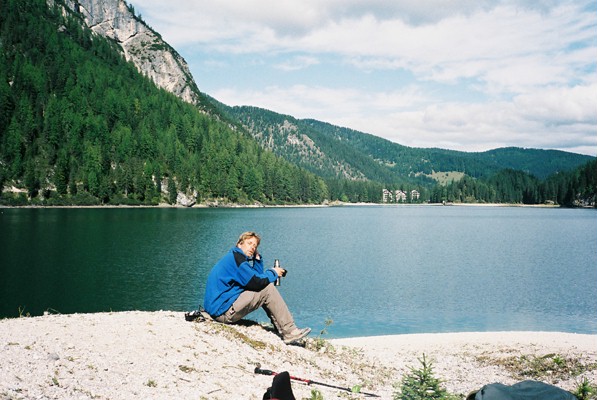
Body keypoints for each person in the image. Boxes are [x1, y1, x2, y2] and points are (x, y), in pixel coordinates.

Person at [203, 231, 311, 344]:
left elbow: (254, 277)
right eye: (249, 243)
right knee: (267, 289)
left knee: (264, 286)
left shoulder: (235, 257)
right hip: (222, 313)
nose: (252, 247)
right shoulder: (236, 260)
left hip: (219, 309)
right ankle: (289, 331)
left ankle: (283, 328)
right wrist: (273, 272)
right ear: (240, 244)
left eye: (255, 246)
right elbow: (256, 283)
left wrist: (257, 260)